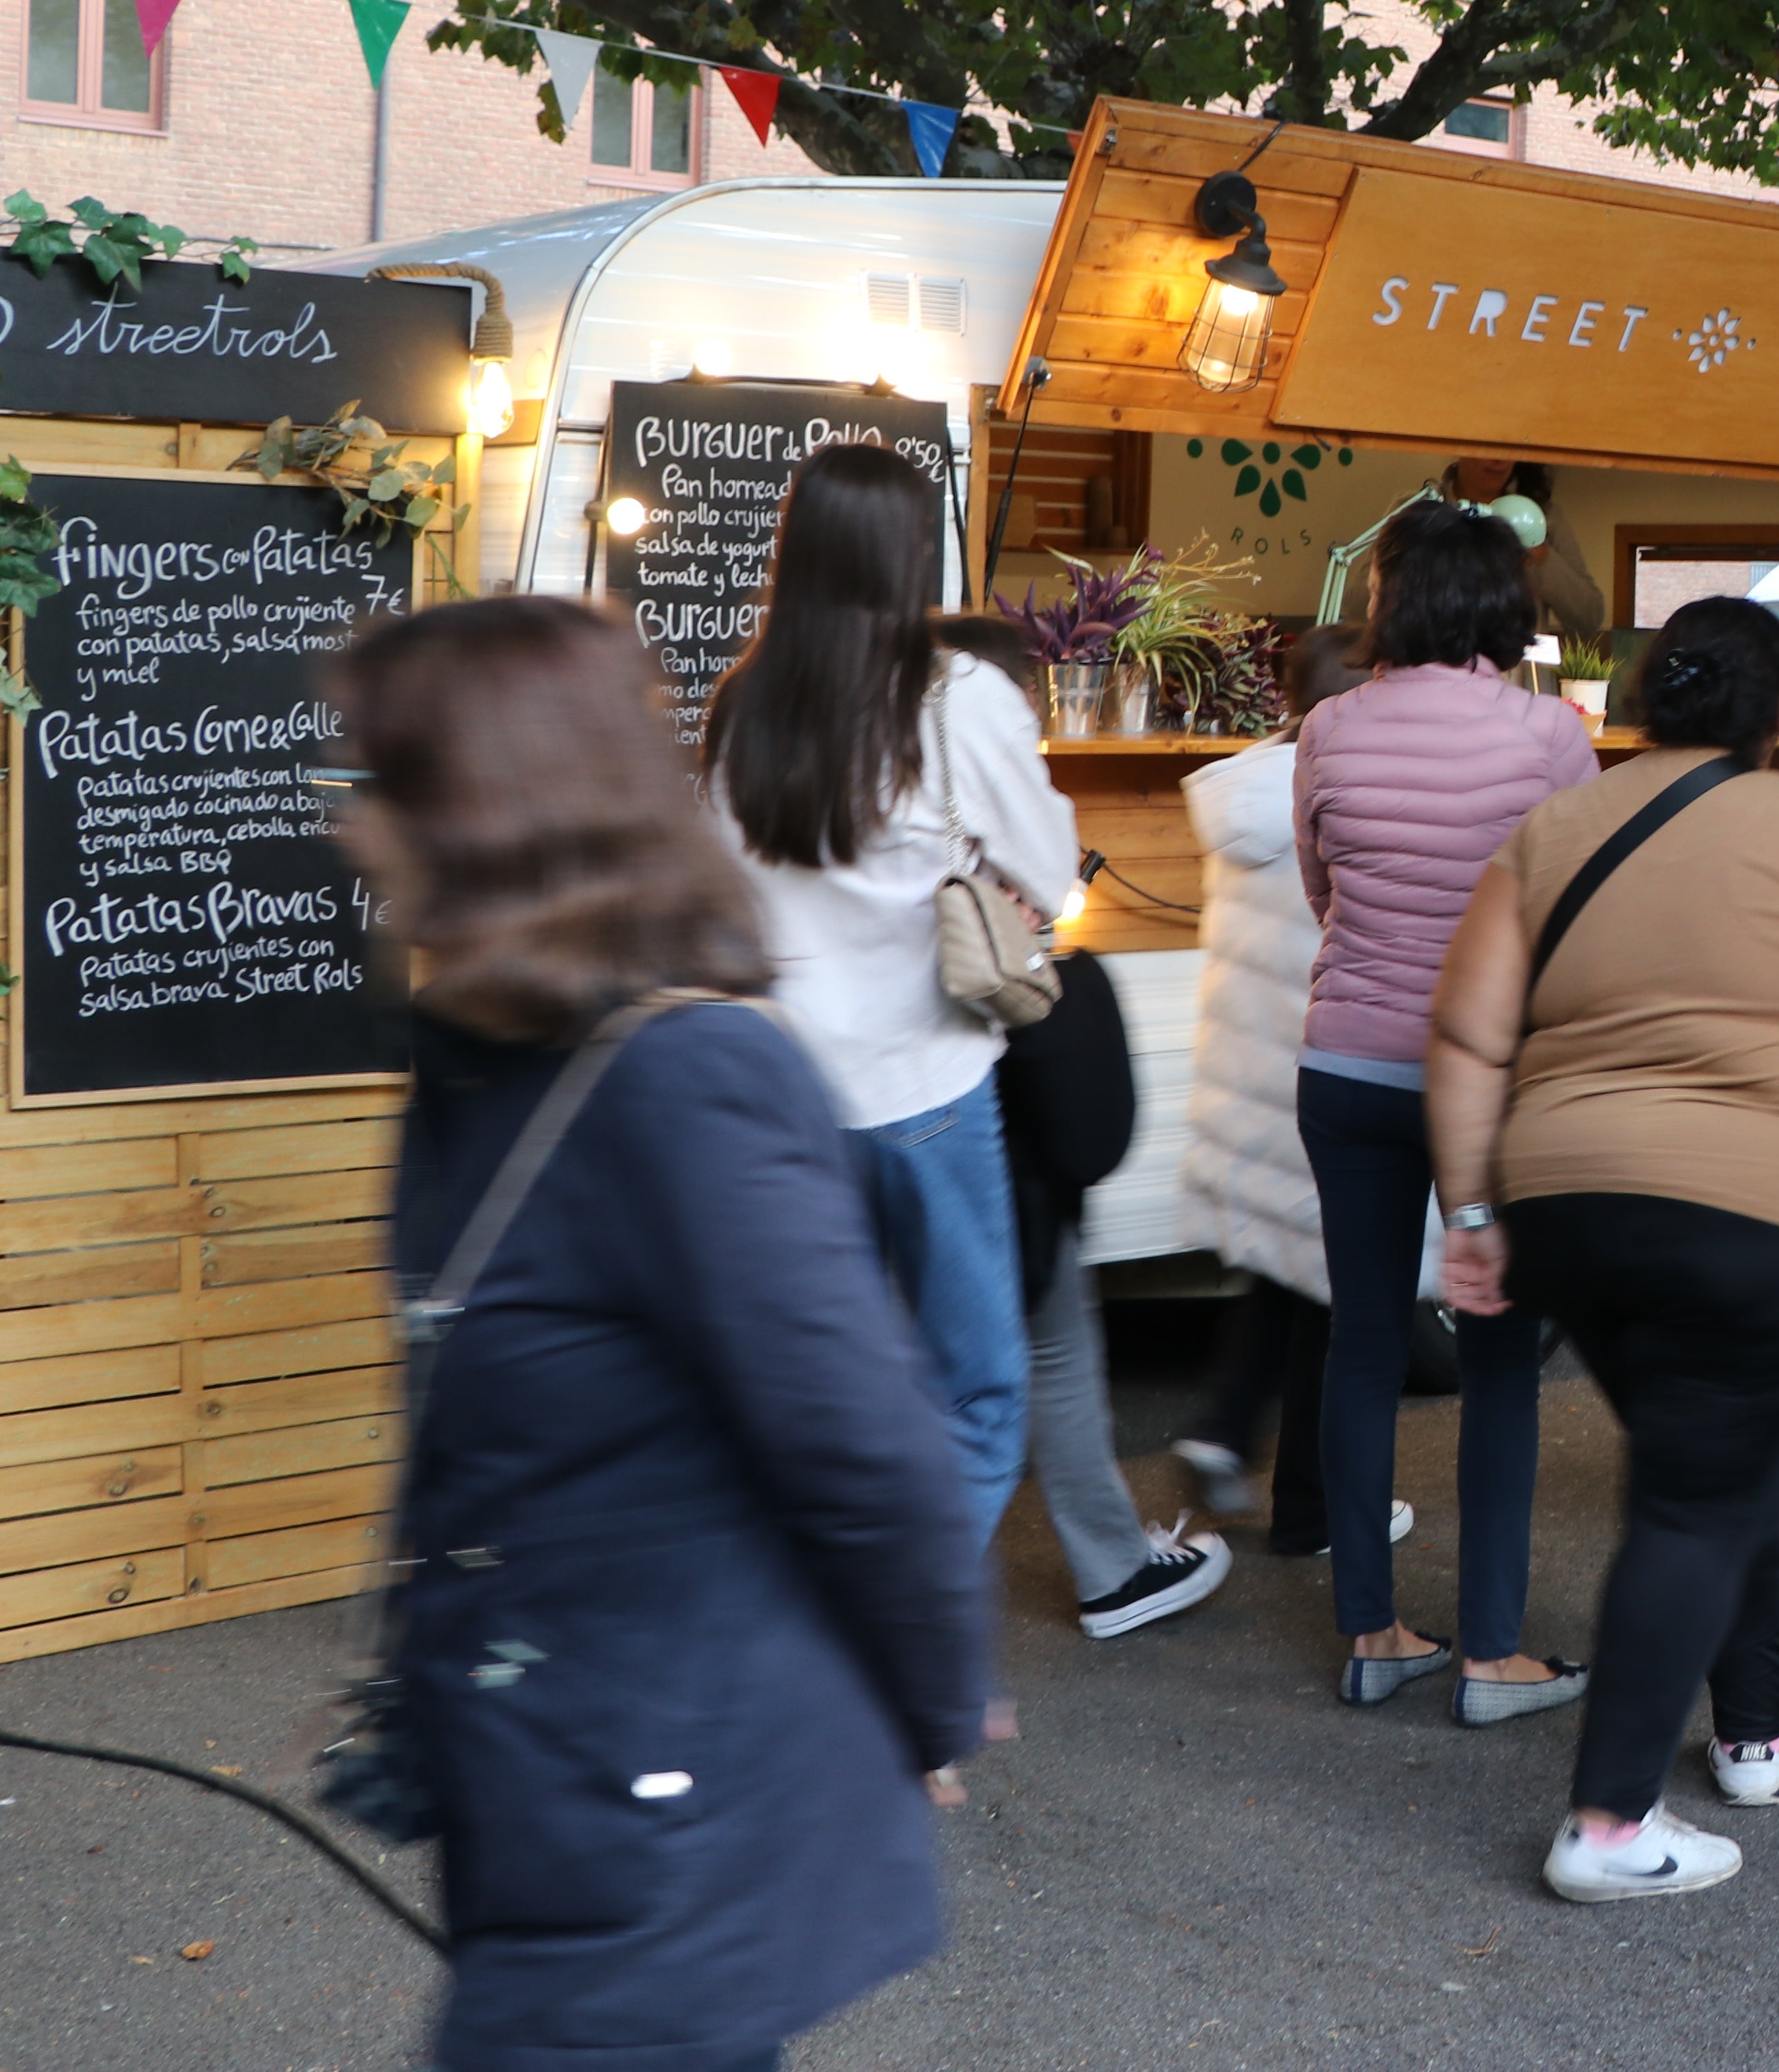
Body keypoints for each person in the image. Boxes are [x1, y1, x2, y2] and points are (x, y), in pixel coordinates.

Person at [337, 596, 987, 2072]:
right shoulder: (487, 1051)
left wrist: (933, 1702)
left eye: (379, 782)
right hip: (554, 1776)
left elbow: (868, 1444)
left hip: (667, 1804)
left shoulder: (682, 1076)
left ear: (485, 810)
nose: (352, 827)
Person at [1429, 599, 1779, 1902]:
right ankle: (1611, 1824)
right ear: (1777, 716)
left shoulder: (1548, 835)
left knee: (1703, 1464)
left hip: (1571, 1213)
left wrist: (1469, 1213)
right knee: (1697, 1493)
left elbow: (1462, 1039)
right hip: (1773, 1225)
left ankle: (1750, 1733)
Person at [707, 442, 1078, 1539]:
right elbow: (1050, 871)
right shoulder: (958, 693)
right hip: (924, 1088)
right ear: (915, 550)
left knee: (814, 1392)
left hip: (775, 1094)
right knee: (972, 1394)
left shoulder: (745, 699)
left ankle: (809, 1648)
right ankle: (900, 1661)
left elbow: (723, 889)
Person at [1291, 502, 1595, 1721]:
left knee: (1362, 1342)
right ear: (1501, 605)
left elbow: (1323, 886)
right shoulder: (1547, 733)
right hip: (1496, 1081)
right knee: (1502, 1353)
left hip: (1348, 1066)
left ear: (1393, 601)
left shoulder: (1327, 727)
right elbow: (1571, 907)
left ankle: (1371, 1634)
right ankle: (1490, 1652)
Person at [933, 613, 1233, 1640]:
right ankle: (1106, 1569)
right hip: (977, 1084)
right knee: (1048, 1337)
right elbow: (1042, 863)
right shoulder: (980, 747)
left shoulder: (846, 753)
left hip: (880, 1099)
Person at [1173, 624, 1379, 1553]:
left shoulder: (1246, 793)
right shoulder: (1353, 797)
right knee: (1338, 1299)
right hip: (1326, 1066)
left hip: (1248, 1077)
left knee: (1289, 1279)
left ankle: (1221, 1430)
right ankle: (1313, 1506)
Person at [1444, 457, 1608, 647]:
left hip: (1520, 670)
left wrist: (1542, 559)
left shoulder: (1544, 519)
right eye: (1489, 447)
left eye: (1508, 450)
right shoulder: (1421, 509)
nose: (1499, 461)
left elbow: (1589, 618)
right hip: (1440, 666)